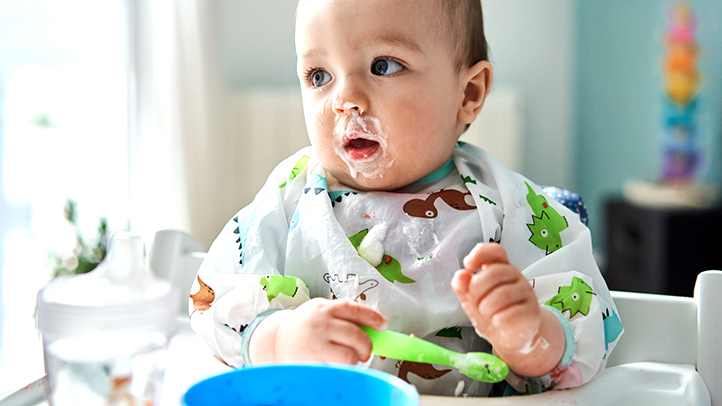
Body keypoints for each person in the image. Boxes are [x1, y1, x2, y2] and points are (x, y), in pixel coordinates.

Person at [189, 0, 623, 397]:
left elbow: (589, 324)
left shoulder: (506, 204)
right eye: (319, 76)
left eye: (383, 65)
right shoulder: (289, 197)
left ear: (468, 94)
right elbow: (216, 305)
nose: (345, 100)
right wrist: (280, 339)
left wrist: (531, 334)